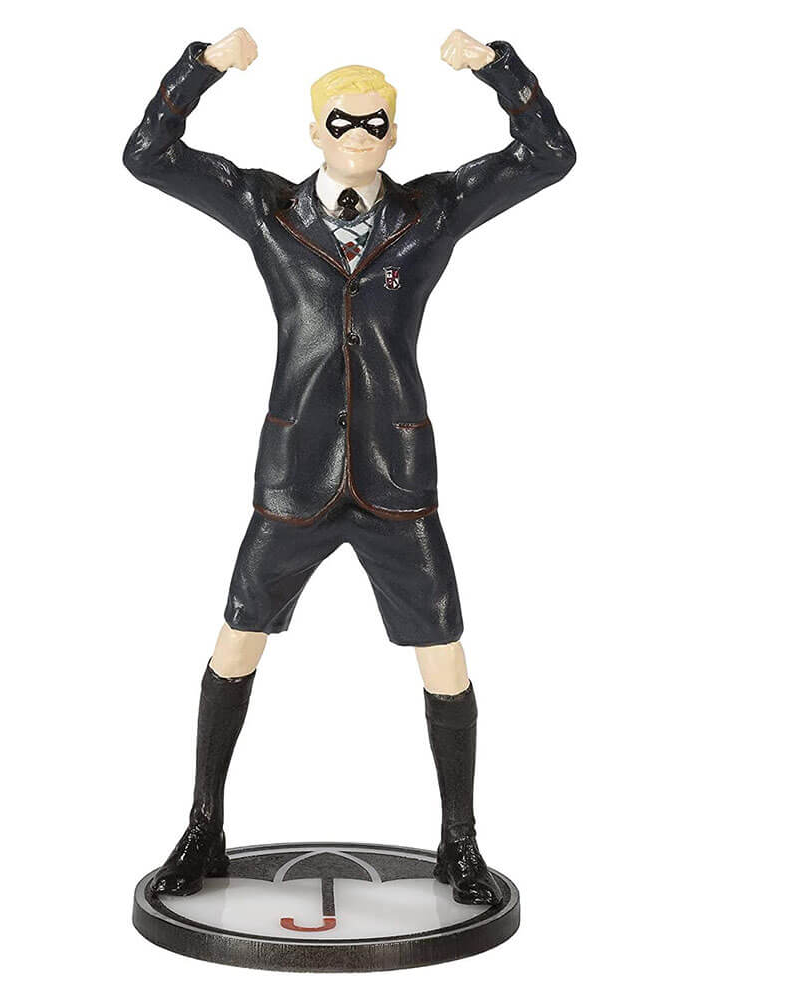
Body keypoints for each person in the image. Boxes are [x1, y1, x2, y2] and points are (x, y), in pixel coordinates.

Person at [123, 26, 575, 905]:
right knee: (236, 641)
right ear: (314, 131)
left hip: (396, 478)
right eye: (342, 121)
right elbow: (149, 155)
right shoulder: (266, 208)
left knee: (443, 653)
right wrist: (202, 67)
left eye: (375, 122)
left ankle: (459, 842)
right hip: (294, 477)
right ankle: (204, 826)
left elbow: (548, 156)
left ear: (394, 133)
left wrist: (496, 67)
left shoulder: (431, 211)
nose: (359, 134)